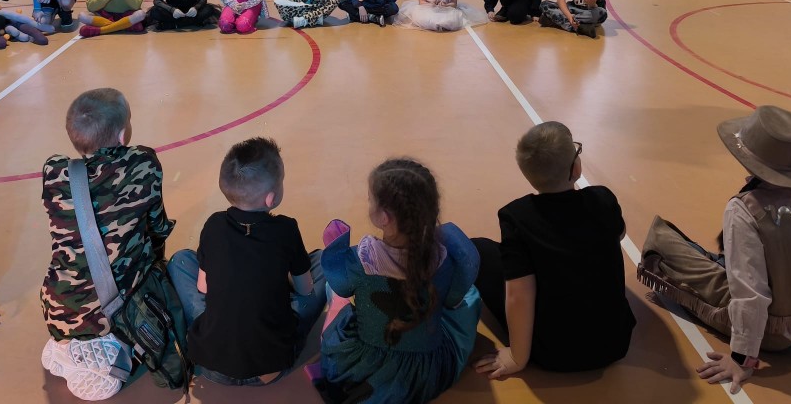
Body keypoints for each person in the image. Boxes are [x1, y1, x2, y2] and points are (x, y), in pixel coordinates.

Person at [637, 106, 791, 394]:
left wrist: (742, 359)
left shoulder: (744, 210)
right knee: (737, 264)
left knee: (663, 245)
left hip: (779, 336)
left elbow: (751, 294)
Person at [472, 121, 635, 380]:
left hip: (552, 353)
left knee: (478, 249)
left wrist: (517, 357)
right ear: (576, 168)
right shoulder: (603, 198)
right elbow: (620, 233)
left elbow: (519, 296)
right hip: (615, 343)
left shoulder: (517, 215)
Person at [40, 88, 174, 401]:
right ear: (124, 134)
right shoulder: (143, 163)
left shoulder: (54, 171)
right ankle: (110, 348)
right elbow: (157, 227)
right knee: (160, 271)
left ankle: (67, 344)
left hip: (57, 303)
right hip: (112, 307)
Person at [314, 158, 481, 404]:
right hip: (425, 372)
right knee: (470, 297)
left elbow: (338, 284)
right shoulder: (445, 259)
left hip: (362, 365)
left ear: (383, 217)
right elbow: (461, 281)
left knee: (335, 293)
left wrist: (335, 248)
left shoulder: (359, 260)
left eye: (370, 199)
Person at [169, 137, 325, 386]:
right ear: (271, 198)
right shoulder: (286, 229)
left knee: (180, 260)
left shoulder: (214, 225)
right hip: (269, 369)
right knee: (323, 261)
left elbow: (203, 288)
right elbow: (305, 290)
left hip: (211, 366)